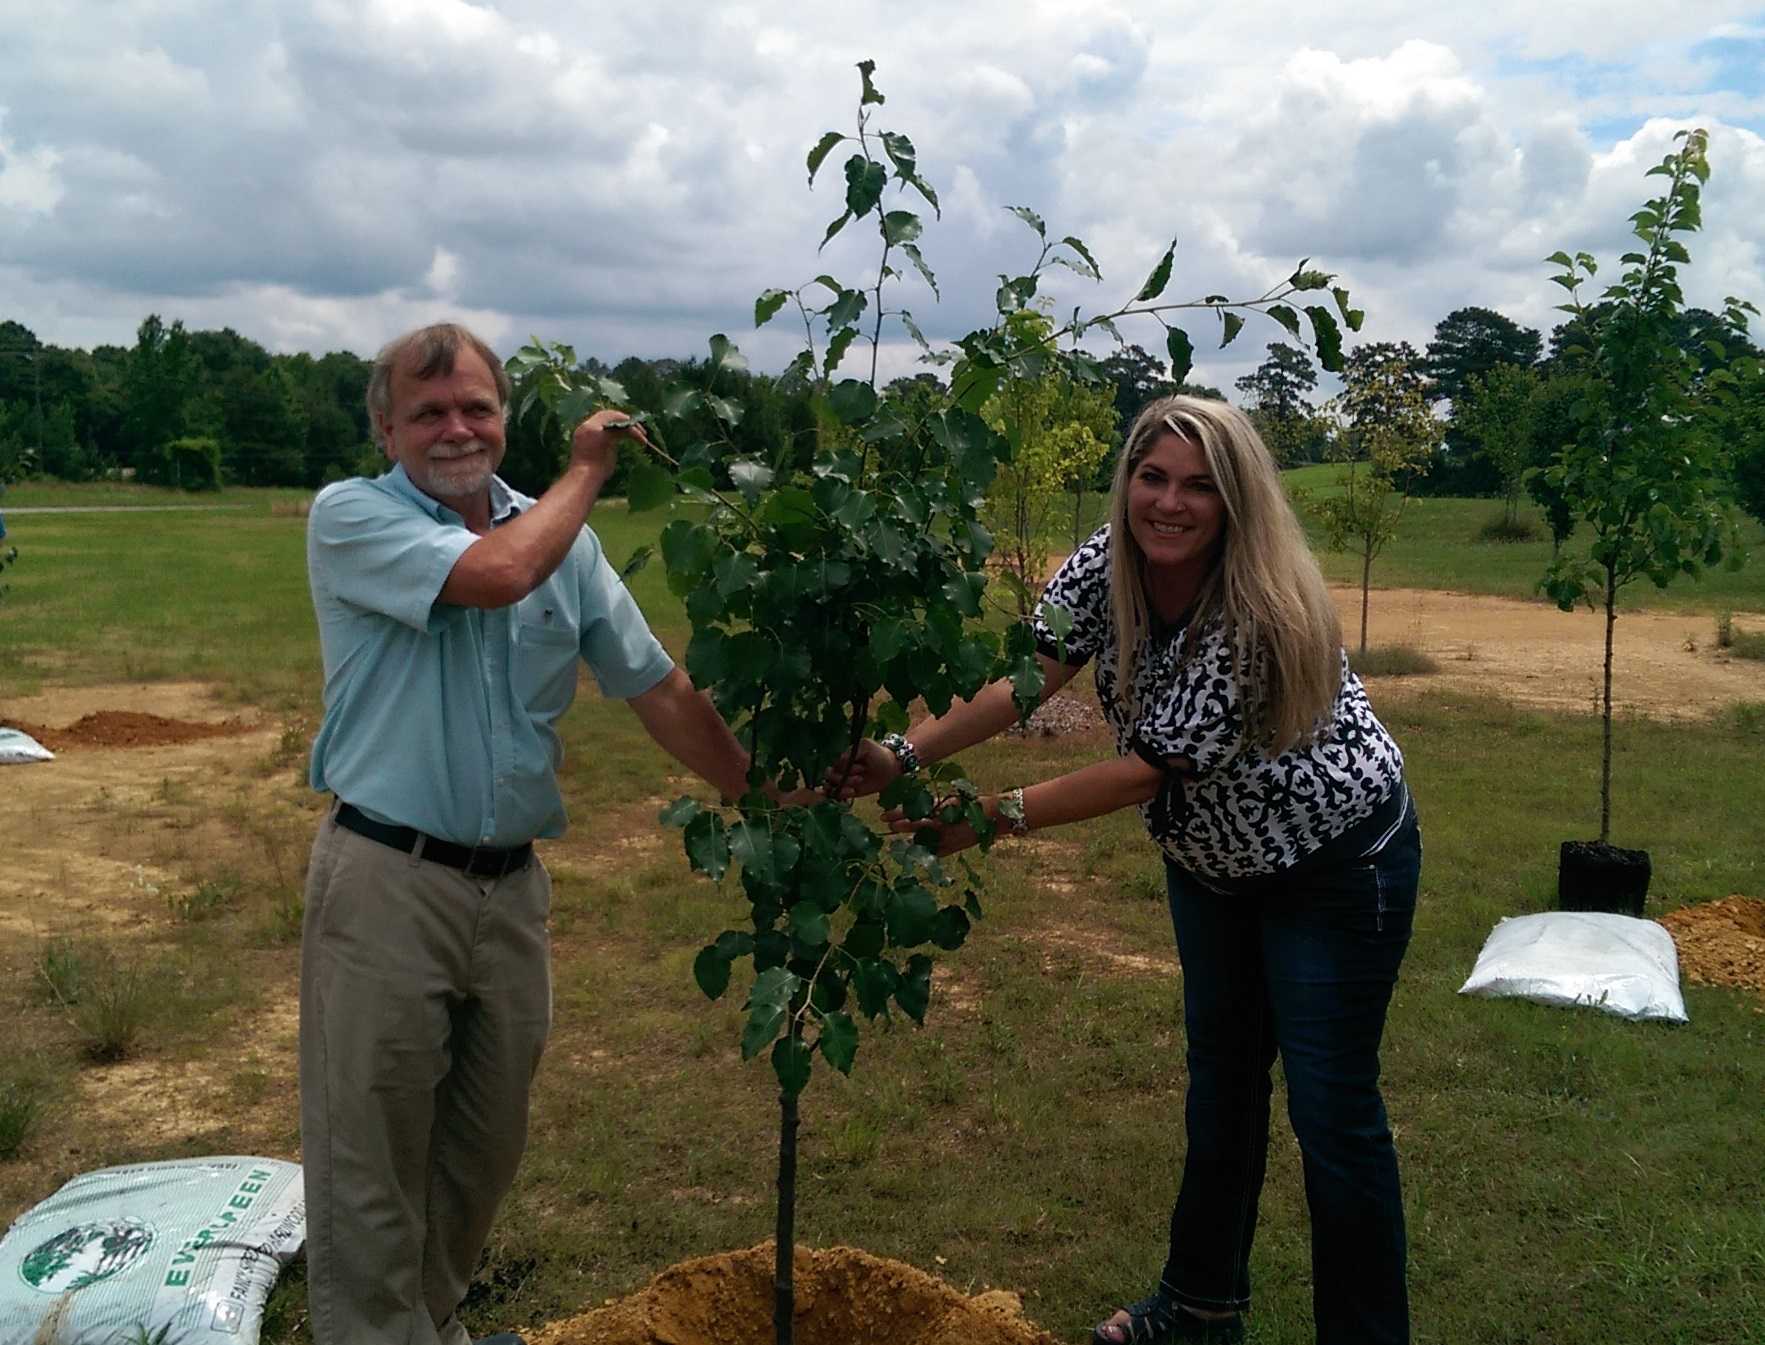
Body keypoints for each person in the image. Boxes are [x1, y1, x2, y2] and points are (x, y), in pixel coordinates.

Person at [833, 395, 1420, 1345]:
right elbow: (1031, 671)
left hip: (1334, 864)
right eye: (1152, 477)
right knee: (1221, 1083)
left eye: (1198, 485)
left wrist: (986, 818)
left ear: (1235, 500)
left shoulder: (1256, 611)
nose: (1169, 503)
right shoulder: (1107, 562)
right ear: (1128, 481)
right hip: (1212, 865)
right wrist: (903, 752)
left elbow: (1146, 768)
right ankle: (1198, 1311)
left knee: (1331, 1112)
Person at [300, 322, 757, 1345]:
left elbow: (656, 686)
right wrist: (589, 469)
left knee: (480, 1149)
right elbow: (498, 572)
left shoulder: (564, 545)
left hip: (509, 892)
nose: (456, 429)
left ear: (504, 416)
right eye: (428, 412)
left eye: (476, 407)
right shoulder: (352, 516)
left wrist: (758, 788)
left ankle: (428, 1326)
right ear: (386, 430)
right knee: (371, 1160)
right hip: (386, 881)